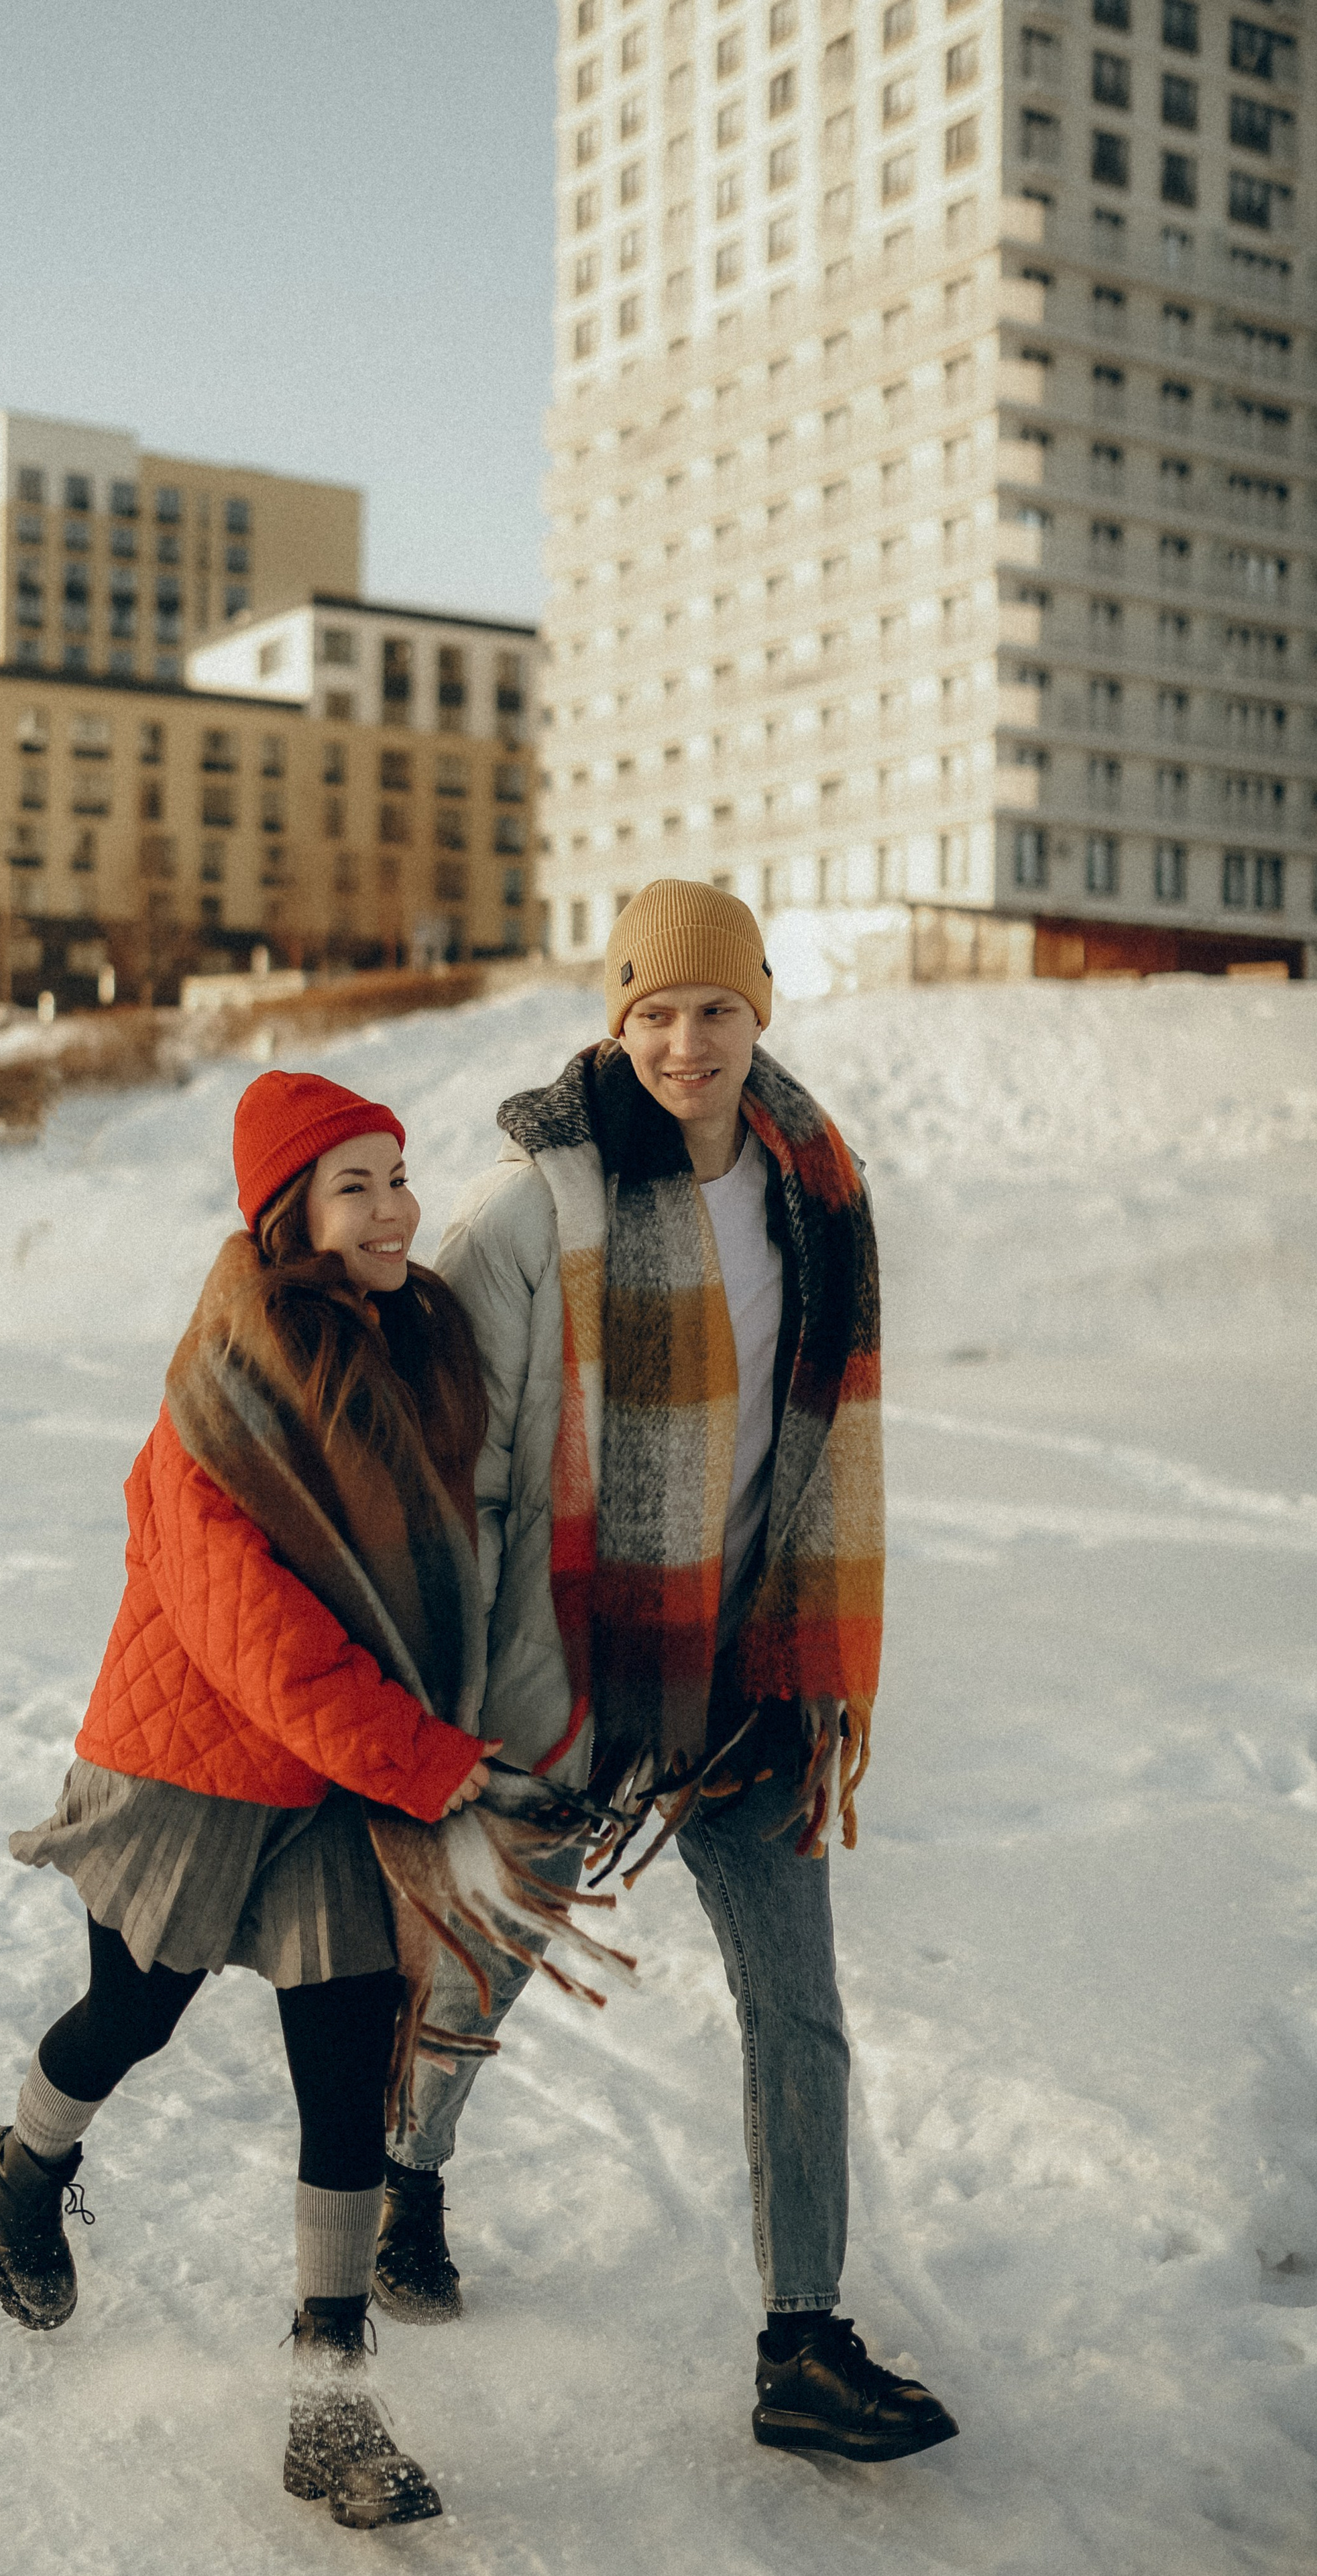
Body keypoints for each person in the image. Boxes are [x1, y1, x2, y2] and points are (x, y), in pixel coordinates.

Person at [373, 879, 958, 2466]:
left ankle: (800, 2340)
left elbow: (816, 1435)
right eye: (652, 1012)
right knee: (488, 1958)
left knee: (800, 2012)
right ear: (612, 1020)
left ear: (755, 1012)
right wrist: (465, 1701)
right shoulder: (527, 1212)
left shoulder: (815, 1189)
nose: (685, 1042)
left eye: (714, 1009)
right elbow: (454, 1478)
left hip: (758, 1672)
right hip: (570, 1669)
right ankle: (405, 2176)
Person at [0, 1070, 501, 2531]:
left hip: (333, 1780)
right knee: (132, 2014)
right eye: (352, 1185)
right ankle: (20, 2166)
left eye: (399, 1175)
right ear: (284, 1219)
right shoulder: (220, 1396)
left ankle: (330, 2400)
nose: (392, 1210)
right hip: (193, 1769)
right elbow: (264, 1645)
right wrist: (429, 1761)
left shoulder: (422, 1352)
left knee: (347, 2066)